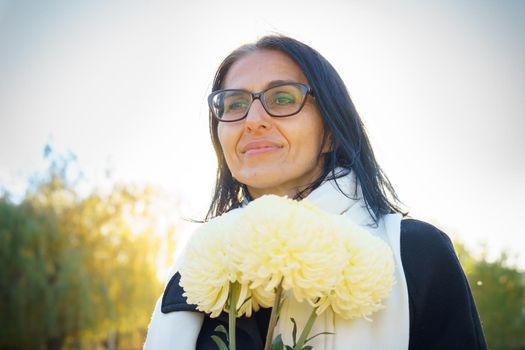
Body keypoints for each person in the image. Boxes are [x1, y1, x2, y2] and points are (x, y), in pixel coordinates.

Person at [144, 35, 487, 349]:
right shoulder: (195, 265)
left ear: (331, 133)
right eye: (234, 104)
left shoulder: (418, 254)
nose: (253, 120)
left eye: (282, 98)